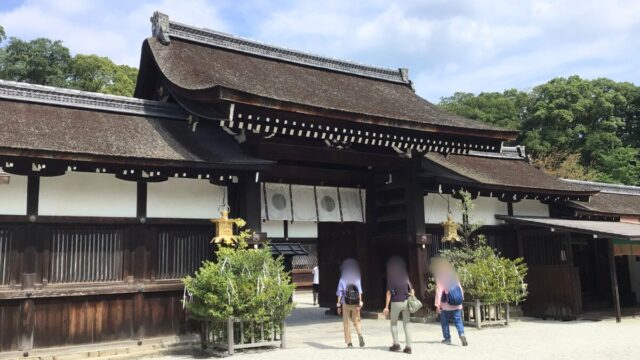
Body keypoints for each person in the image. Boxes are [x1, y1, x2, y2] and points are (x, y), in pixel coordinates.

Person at [433, 258, 468, 347]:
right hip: (457, 304)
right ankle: (462, 334)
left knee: (444, 322)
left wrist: (437, 304)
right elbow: (460, 288)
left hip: (445, 305)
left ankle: (447, 338)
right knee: (458, 321)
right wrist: (461, 300)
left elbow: (439, 291)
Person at [383, 256, 414, 354]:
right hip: (405, 302)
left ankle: (396, 344)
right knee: (407, 324)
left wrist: (386, 307)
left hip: (396, 302)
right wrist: (411, 298)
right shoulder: (405, 277)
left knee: (393, 323)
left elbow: (388, 293)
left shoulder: (391, 277)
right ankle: (408, 347)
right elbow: (412, 290)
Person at [336, 258, 365, 348]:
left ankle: (349, 343)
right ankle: (360, 334)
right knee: (357, 321)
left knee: (346, 323)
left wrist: (338, 306)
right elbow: (360, 292)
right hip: (356, 303)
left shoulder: (342, 279)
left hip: (346, 303)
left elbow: (339, 294)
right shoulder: (357, 278)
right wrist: (360, 303)